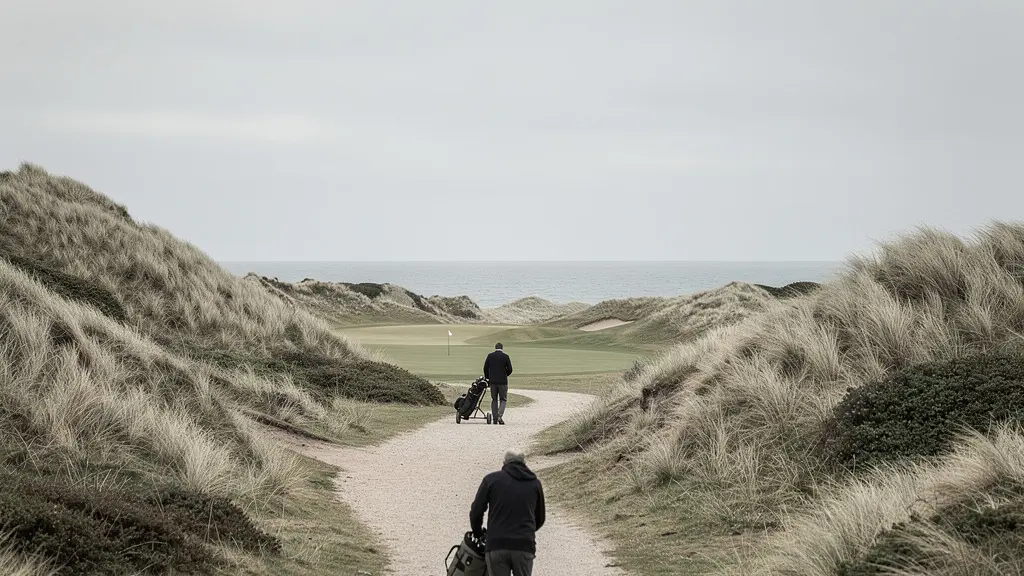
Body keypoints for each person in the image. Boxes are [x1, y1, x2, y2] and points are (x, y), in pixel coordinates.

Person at [469, 450, 545, 576]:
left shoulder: (491, 480)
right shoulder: (535, 484)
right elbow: (540, 517)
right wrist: (526, 531)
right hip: (524, 546)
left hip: (496, 545)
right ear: (524, 463)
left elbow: (476, 511)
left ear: (504, 463)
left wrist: (478, 532)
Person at [483, 342, 513, 425]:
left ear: (495, 347)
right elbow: (510, 369)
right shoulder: (506, 356)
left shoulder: (490, 356)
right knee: (503, 399)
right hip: (503, 381)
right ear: (502, 348)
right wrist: (505, 374)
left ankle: (495, 418)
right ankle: (500, 416)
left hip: (493, 382)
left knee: (494, 399)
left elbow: (485, 368)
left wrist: (488, 378)